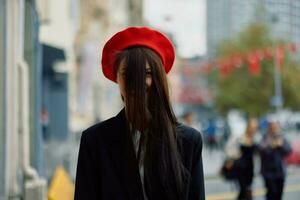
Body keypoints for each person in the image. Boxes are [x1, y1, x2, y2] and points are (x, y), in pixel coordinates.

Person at [74, 27, 205, 200]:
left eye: (148, 73)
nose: (139, 83)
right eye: (129, 74)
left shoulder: (189, 142)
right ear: (117, 79)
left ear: (159, 77)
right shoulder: (95, 141)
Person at [258, 119, 292, 200]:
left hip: (280, 171)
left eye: (275, 125)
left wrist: (280, 145)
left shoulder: (281, 137)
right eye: (271, 125)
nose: (273, 127)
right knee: (270, 194)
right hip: (268, 172)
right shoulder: (264, 137)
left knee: (279, 194)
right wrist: (271, 146)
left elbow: (288, 151)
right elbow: (261, 151)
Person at [234, 118, 258, 200]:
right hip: (240, 168)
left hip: (250, 168)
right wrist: (234, 155)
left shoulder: (256, 138)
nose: (253, 129)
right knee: (244, 190)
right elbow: (230, 148)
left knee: (246, 191)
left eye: (255, 127)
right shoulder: (241, 137)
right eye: (251, 127)